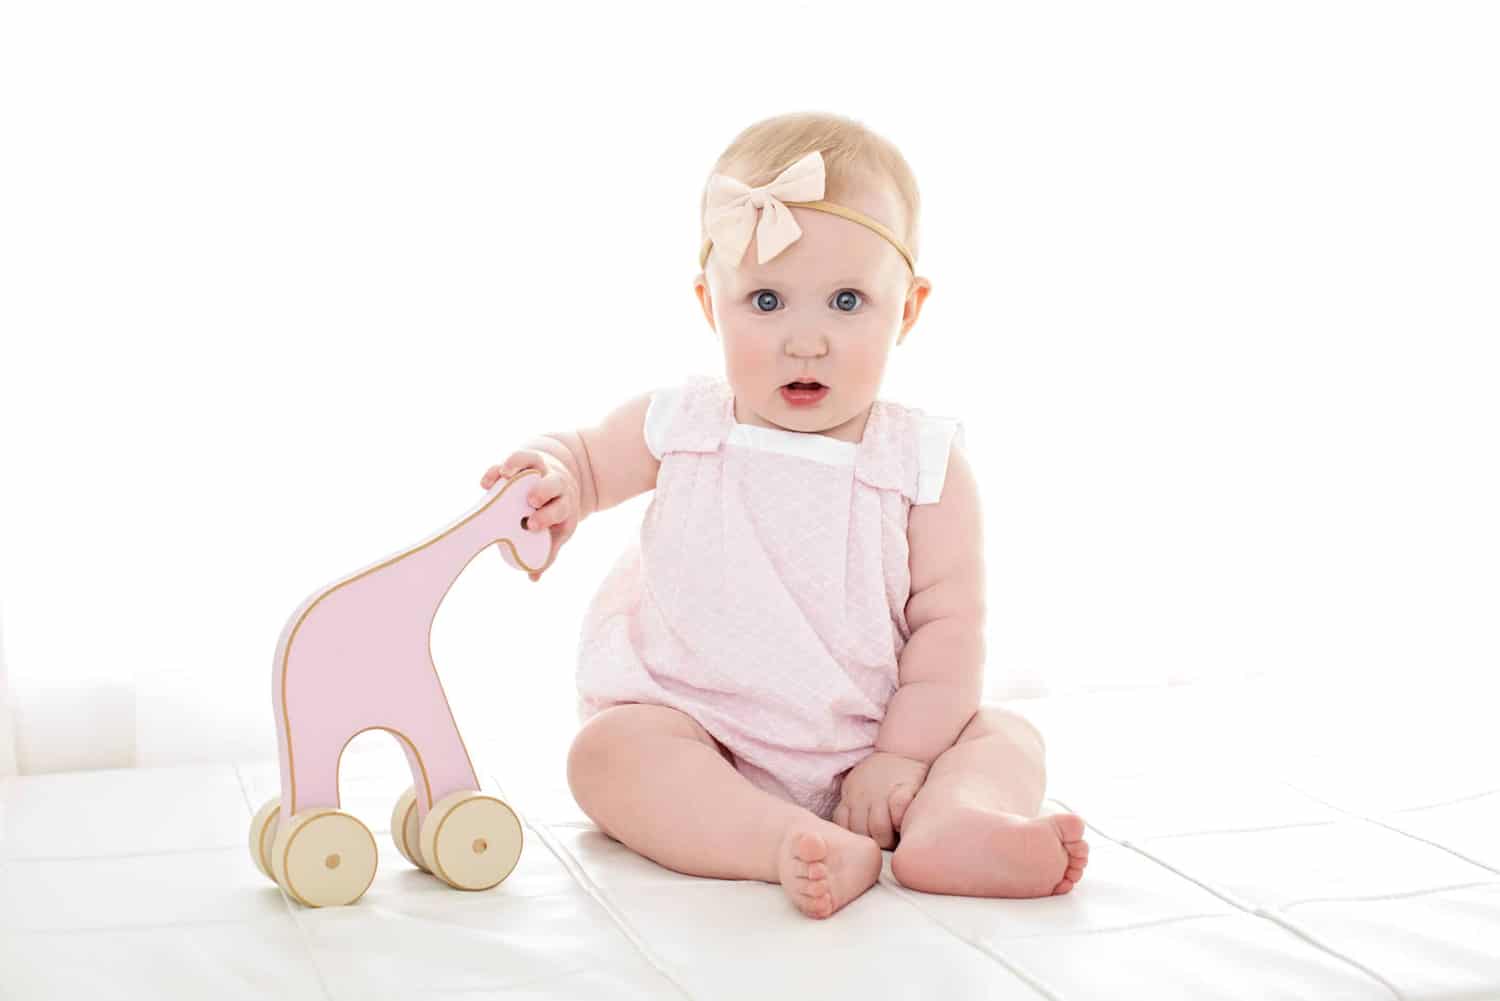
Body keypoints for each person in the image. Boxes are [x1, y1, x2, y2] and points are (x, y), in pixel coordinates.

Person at [480, 112, 1089, 919]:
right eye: (767, 300)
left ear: (907, 309)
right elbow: (587, 460)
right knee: (606, 754)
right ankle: (777, 841)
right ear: (711, 303)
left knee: (1006, 736)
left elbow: (950, 631)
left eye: (846, 301)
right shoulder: (685, 423)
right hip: (706, 743)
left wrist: (902, 759)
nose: (807, 340)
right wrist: (550, 476)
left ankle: (954, 826)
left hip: (879, 755)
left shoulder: (922, 464)